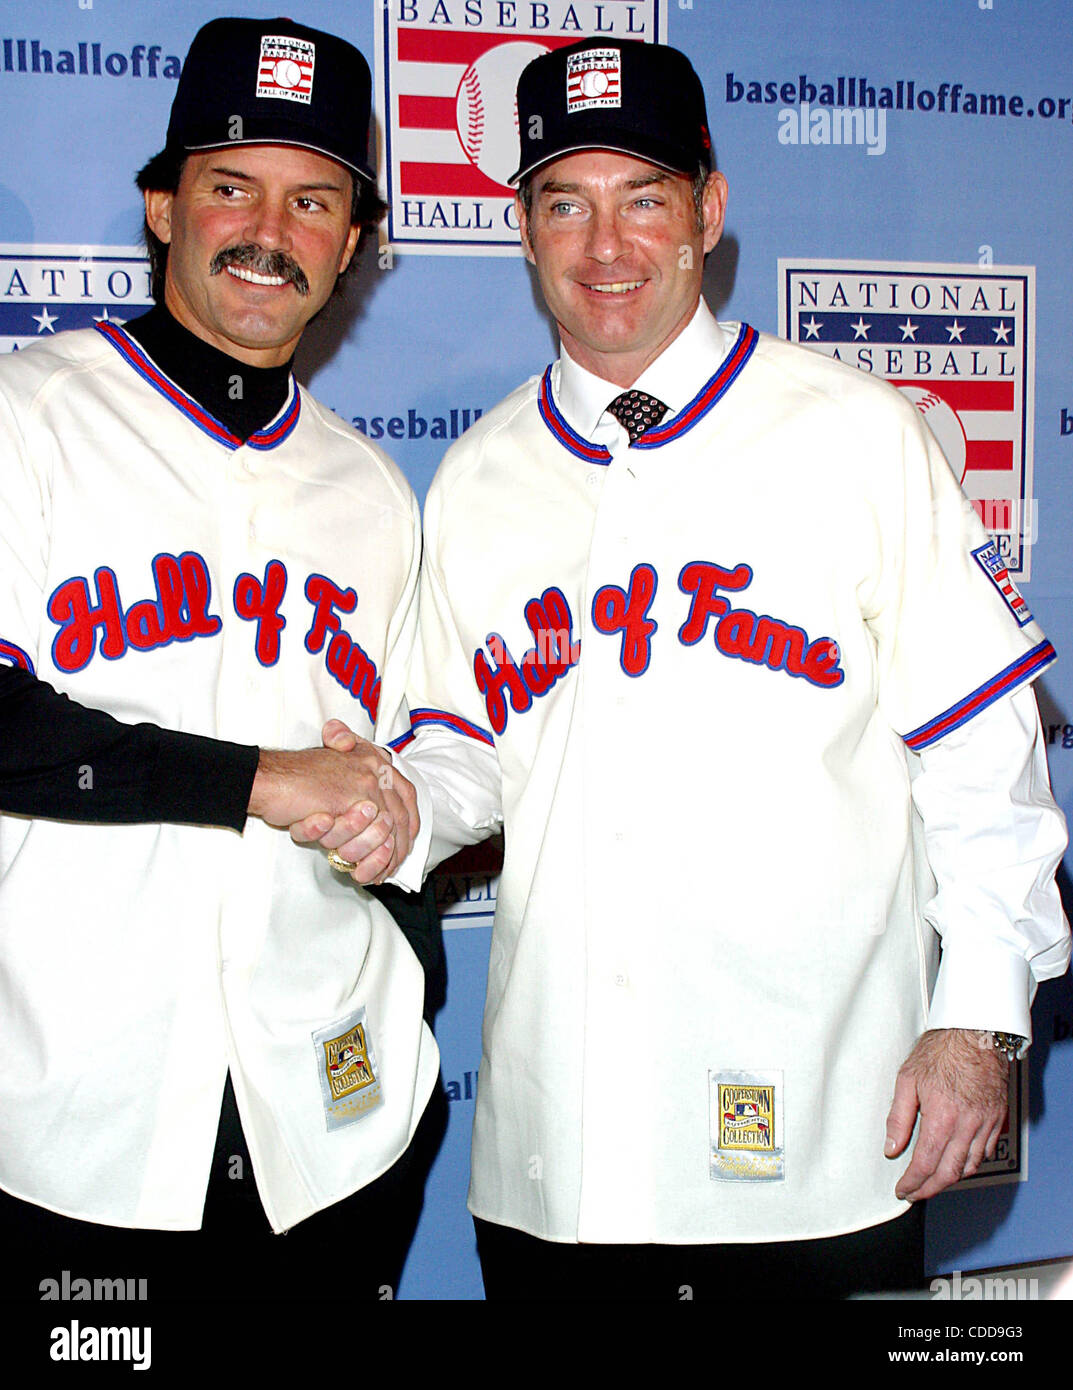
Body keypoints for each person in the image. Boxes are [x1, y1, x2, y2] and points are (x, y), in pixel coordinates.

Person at [306, 38, 1071, 1300]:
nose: (604, 246)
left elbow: (984, 756)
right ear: (522, 227)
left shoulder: (854, 435)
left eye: (642, 198)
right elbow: (463, 750)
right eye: (566, 203)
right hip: (560, 1164)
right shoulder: (484, 474)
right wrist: (394, 800)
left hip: (819, 1148)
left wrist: (979, 1018)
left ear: (708, 213)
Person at [0, 17, 442, 1302]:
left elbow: (401, 780)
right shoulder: (29, 415)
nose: (270, 230)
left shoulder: (372, 490)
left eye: (314, 200)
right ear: (160, 206)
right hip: (69, 1140)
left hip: (334, 1142)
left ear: (352, 244)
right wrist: (258, 777)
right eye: (231, 185)